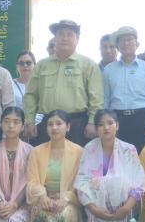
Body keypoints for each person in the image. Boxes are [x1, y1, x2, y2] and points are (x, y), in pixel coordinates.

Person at [23, 19, 103, 147]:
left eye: (69, 34)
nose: (65, 38)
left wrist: (92, 122)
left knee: (77, 159)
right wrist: (29, 121)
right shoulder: (41, 65)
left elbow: (96, 98)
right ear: (55, 38)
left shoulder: (88, 65)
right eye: (60, 34)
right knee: (46, 159)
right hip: (48, 124)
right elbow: (31, 95)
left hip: (78, 125)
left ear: (77, 38)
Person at [76, 109, 145, 222]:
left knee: (119, 181)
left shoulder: (128, 149)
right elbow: (81, 182)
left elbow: (140, 183)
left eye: (110, 123)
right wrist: (94, 209)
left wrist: (126, 208)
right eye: (101, 125)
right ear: (96, 129)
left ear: (117, 126)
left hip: (125, 205)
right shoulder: (89, 149)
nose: (106, 127)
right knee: (96, 184)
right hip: (97, 206)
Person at [26, 110, 84, 222]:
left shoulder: (78, 151)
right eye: (50, 124)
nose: (54, 128)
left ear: (68, 127)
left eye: (59, 124)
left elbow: (81, 182)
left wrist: (65, 198)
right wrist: (42, 196)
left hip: (68, 200)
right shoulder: (37, 152)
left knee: (64, 214)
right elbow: (32, 181)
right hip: (46, 199)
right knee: (46, 215)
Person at [103, 25, 145, 155]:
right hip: (117, 119)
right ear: (117, 46)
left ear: (137, 44)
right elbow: (105, 98)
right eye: (122, 40)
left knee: (141, 157)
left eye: (129, 39)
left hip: (141, 118)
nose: (126, 43)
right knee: (118, 157)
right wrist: (105, 122)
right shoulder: (109, 69)